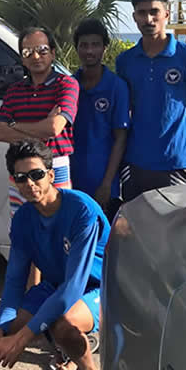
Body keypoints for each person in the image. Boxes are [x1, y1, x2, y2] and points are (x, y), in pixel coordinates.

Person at [0, 139, 108, 370]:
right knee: (8, 325)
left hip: (98, 287)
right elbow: (14, 282)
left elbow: (73, 287)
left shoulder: (81, 210)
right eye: (21, 178)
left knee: (63, 324)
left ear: (51, 175)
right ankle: (65, 354)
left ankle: (86, 367)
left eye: (36, 174)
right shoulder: (22, 219)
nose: (29, 183)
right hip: (56, 285)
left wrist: (20, 341)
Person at [0, 27, 79, 286]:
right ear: (21, 57)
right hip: (19, 171)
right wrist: (39, 124)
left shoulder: (67, 84)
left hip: (55, 168)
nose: (36, 56)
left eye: (42, 50)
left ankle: (51, 294)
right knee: (25, 231)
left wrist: (17, 125)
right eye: (28, 51)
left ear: (53, 53)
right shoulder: (14, 91)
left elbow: (54, 128)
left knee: (56, 230)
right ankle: (30, 294)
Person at [116, 0, 186, 202]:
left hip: (174, 165)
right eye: (142, 13)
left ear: (166, 14)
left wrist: (175, 141)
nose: (149, 19)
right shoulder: (125, 61)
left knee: (175, 231)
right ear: (134, 17)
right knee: (134, 227)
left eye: (154, 12)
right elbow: (125, 109)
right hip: (134, 163)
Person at [70, 19, 130, 222]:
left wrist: (107, 183)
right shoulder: (69, 86)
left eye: (95, 45)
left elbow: (120, 138)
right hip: (70, 179)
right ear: (76, 48)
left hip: (103, 183)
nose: (89, 51)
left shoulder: (116, 87)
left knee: (101, 241)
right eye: (84, 45)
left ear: (105, 48)